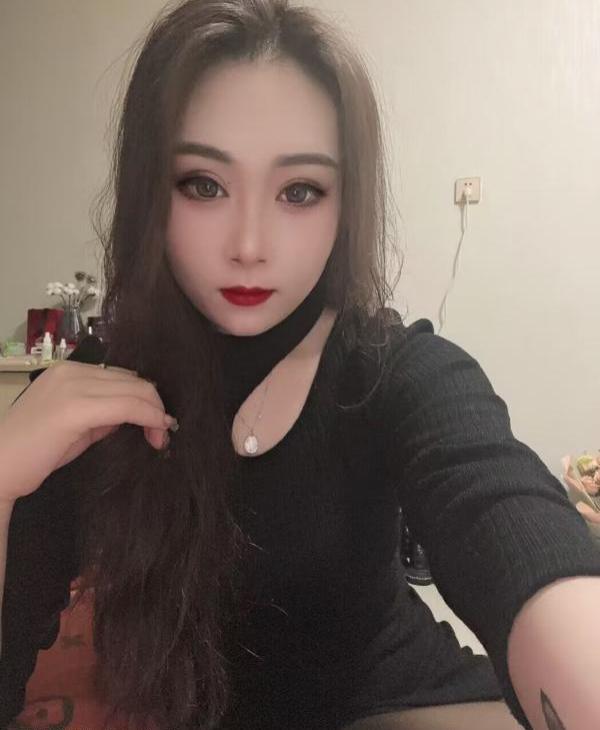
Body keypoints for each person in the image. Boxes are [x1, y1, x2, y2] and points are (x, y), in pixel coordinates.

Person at [1, 1, 599, 729]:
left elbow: (503, 517)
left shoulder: (394, 371)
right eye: (203, 184)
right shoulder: (93, 395)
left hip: (413, 708)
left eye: (299, 191)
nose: (249, 245)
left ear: (344, 205)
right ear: (150, 190)